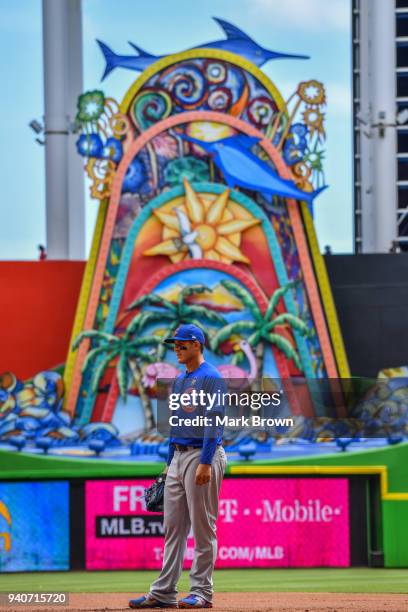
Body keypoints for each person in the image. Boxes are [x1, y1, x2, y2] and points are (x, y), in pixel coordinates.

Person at [129, 324, 227, 609]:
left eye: (182, 344)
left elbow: (215, 421)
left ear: (197, 344)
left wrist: (206, 461)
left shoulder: (212, 377)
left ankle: (201, 592)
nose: (177, 348)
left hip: (202, 455)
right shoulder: (180, 381)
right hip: (178, 456)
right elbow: (176, 425)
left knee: (203, 527)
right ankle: (163, 592)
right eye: (175, 344)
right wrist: (167, 464)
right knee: (173, 528)